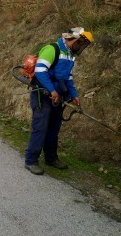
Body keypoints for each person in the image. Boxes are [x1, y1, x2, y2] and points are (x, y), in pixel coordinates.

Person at [25, 27, 93, 175]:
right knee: (40, 128)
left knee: (54, 129)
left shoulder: (69, 55)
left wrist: (74, 94)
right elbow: (40, 71)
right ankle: (31, 160)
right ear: (75, 40)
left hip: (58, 96)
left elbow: (67, 77)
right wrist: (52, 90)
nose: (82, 47)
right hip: (42, 95)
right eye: (81, 43)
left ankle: (50, 158)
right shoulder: (52, 49)